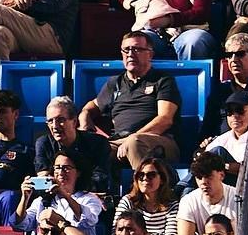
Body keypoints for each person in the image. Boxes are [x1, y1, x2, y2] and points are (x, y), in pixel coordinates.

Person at [78, 31, 182, 169]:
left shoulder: (163, 81)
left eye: (137, 49)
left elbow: (165, 119)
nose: (130, 54)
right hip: (119, 141)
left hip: (157, 141)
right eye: (126, 50)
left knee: (134, 142)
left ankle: (144, 189)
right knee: (87, 147)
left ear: (150, 54)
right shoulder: (115, 83)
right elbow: (93, 105)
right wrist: (84, 115)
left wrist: (131, 139)